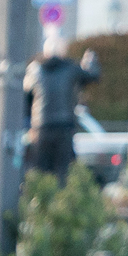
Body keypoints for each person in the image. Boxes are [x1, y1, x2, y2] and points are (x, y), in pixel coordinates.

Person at [22, 27, 96, 182]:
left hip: (41, 127)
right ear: (62, 52)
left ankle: (39, 202)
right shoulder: (70, 68)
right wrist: (91, 62)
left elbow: (25, 98)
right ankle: (60, 202)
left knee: (40, 171)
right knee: (63, 172)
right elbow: (92, 76)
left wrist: (29, 123)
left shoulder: (35, 69)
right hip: (64, 126)